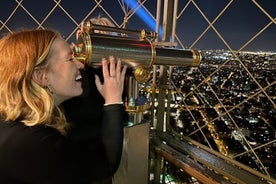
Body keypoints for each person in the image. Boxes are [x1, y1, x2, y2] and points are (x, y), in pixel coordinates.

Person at [0, 29, 127, 183]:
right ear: (41, 76)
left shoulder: (14, 126)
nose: (80, 64)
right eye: (70, 58)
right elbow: (105, 164)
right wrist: (113, 99)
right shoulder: (36, 144)